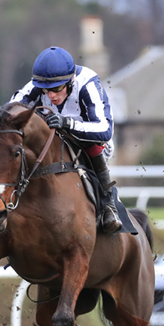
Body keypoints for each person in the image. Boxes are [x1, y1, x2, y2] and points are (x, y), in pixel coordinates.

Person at [10, 46, 122, 235]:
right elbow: (10, 111)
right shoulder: (37, 86)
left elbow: (104, 130)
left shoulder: (87, 83)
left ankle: (107, 205)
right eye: (45, 91)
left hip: (90, 138)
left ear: (70, 81)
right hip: (52, 138)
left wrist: (68, 124)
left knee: (93, 144)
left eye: (56, 89)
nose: (51, 95)